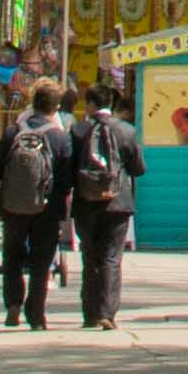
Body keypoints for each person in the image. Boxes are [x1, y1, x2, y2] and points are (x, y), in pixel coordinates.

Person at [0, 84, 68, 330]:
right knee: (41, 261)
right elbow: (66, 180)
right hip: (47, 209)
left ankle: (13, 304)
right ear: (56, 107)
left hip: (14, 207)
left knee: (12, 256)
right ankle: (36, 315)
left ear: (33, 103)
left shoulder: (13, 132)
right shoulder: (59, 138)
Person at [54, 85, 132, 330]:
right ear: (111, 102)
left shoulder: (78, 131)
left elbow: (68, 171)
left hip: (86, 203)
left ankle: (89, 314)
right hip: (118, 203)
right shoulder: (126, 131)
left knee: (90, 257)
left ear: (89, 105)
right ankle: (107, 312)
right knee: (111, 257)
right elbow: (139, 167)